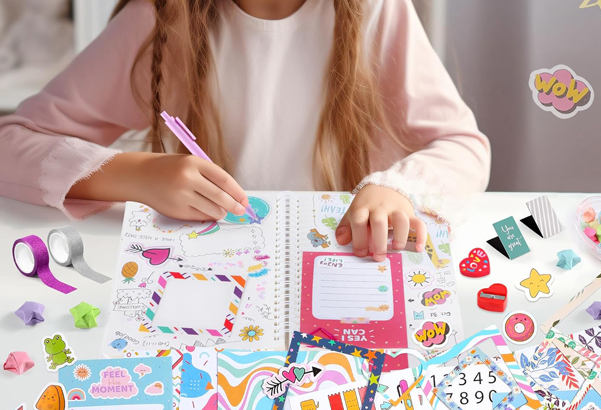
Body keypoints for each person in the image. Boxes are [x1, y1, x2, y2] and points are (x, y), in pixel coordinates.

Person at [0, 0, 490, 262]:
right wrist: (137, 174)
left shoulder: (374, 11)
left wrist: (396, 190)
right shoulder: (163, 18)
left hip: (346, 269)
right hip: (204, 281)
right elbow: (12, 141)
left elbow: (462, 147)